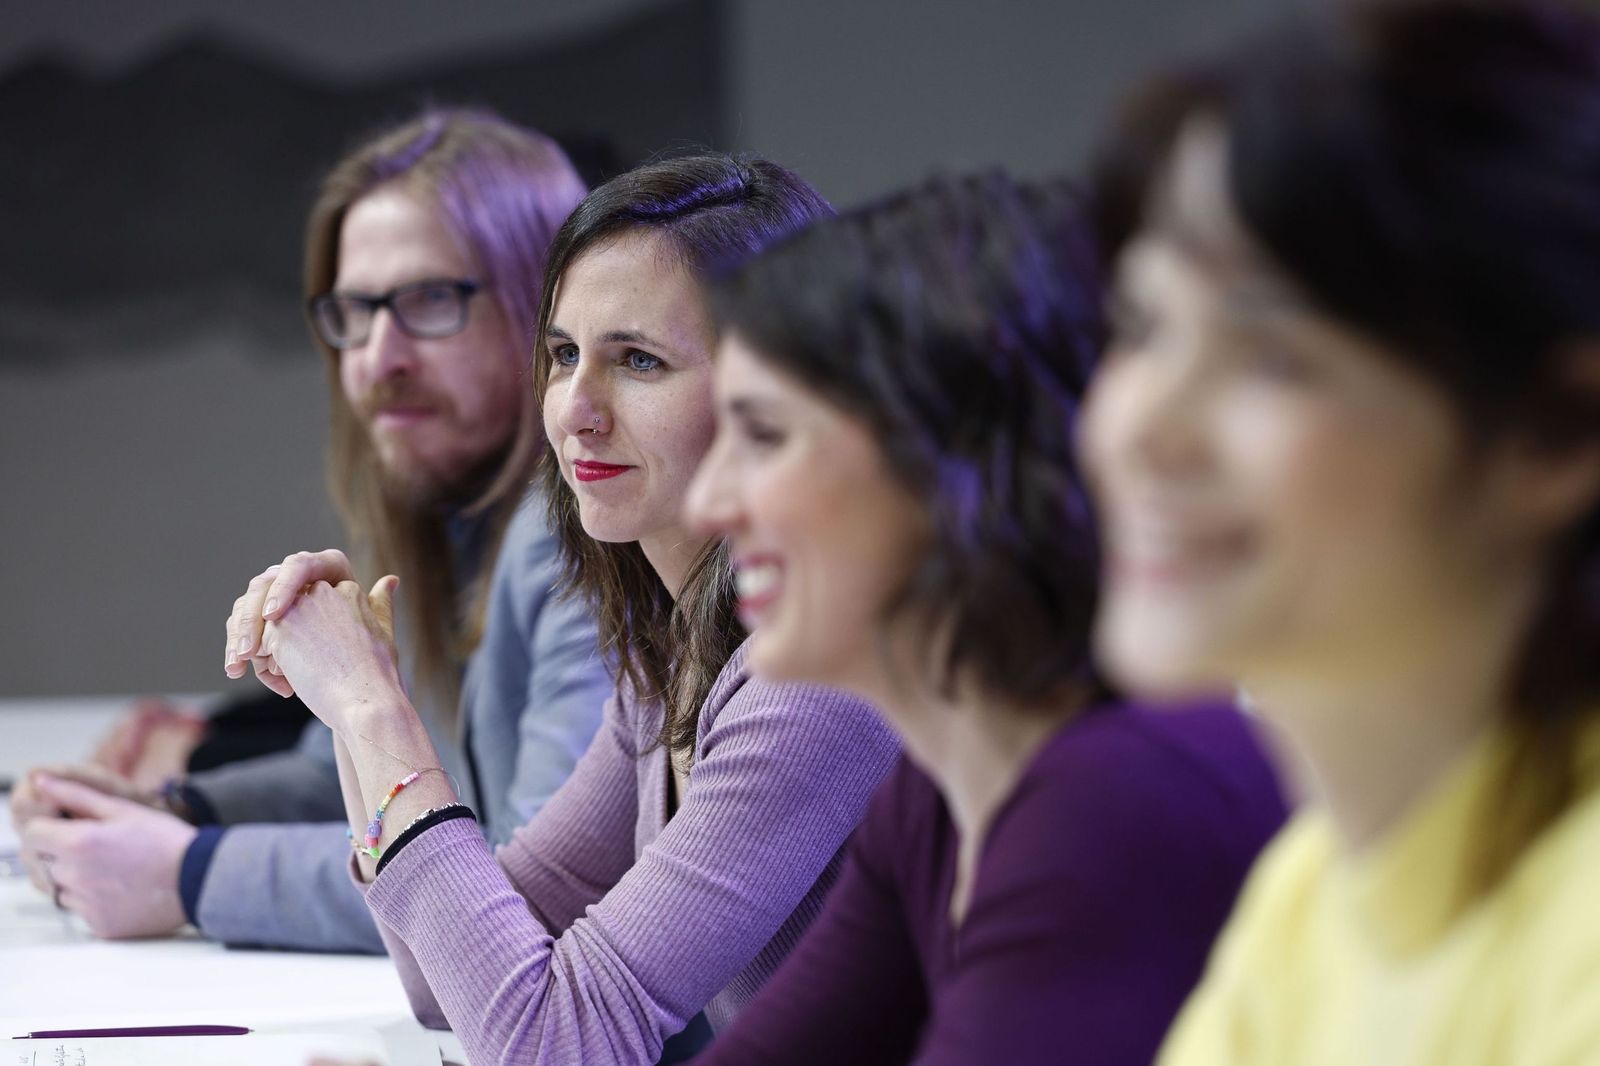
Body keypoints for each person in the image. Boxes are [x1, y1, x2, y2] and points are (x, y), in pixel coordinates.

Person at [222, 154, 902, 1065]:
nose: (576, 410)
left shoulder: (817, 667)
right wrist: (356, 703)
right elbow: (440, 982)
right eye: (565, 355)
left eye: (639, 361)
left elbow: (556, 1043)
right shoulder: (670, 657)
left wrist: (372, 714)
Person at [1079, 2, 1600, 1063]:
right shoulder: (1312, 889)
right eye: (1142, 328)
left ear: (1553, 435)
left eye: (1267, 353)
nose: (1140, 428)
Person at [676, 172, 1286, 1065]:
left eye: (764, 437)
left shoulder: (1117, 794)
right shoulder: (938, 790)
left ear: (945, 462)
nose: (708, 504)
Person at [13, 107, 609, 953]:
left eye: (429, 300)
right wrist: (170, 811)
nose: (376, 357)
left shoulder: (580, 539)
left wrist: (192, 872)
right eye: (355, 311)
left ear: (543, 306)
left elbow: (513, 888)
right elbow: (355, 780)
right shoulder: (458, 517)